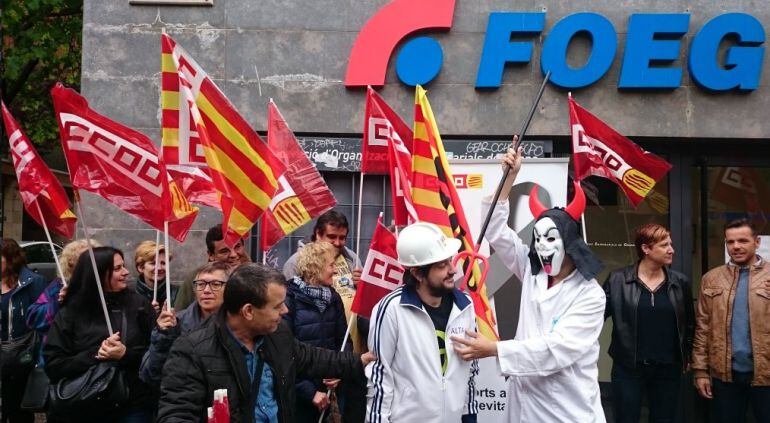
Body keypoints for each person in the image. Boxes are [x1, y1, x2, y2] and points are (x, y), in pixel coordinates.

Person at [451, 146, 606, 422]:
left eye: (551, 239)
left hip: (567, 409)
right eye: (538, 239)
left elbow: (555, 350)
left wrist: (495, 349)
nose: (542, 247)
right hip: (524, 405)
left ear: (570, 245)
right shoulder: (533, 270)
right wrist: (508, 178)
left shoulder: (590, 295)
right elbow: (496, 231)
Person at [157, 263, 374, 423]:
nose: (285, 311)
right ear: (249, 311)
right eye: (277, 306)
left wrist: (361, 359)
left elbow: (312, 358)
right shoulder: (191, 351)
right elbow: (177, 413)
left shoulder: (278, 335)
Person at [366, 221, 479, 423]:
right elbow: (379, 378)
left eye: (449, 261)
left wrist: (469, 419)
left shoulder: (466, 306)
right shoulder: (391, 309)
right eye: (441, 265)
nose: (452, 270)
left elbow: (469, 372)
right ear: (417, 273)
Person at [43, 247, 155, 422]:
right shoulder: (71, 311)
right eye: (117, 268)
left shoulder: (139, 305)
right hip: (84, 406)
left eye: (123, 266)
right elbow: (54, 364)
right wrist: (96, 354)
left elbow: (155, 355)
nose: (126, 272)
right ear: (98, 274)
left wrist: (125, 355)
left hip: (132, 404)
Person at [604, 223, 694, 423]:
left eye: (670, 244)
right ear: (645, 249)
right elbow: (594, 318)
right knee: (626, 418)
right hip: (628, 368)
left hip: (668, 368)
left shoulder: (680, 282)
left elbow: (689, 324)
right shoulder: (618, 280)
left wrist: (687, 354)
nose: (672, 249)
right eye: (664, 245)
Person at [692, 218, 770, 422]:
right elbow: (702, 327)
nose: (736, 247)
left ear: (757, 241)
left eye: (743, 240)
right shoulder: (711, 279)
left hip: (766, 374)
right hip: (724, 375)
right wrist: (700, 371)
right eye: (730, 242)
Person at [284, 241, 349, 422]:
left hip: (329, 394)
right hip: (298, 400)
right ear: (316, 266)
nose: (335, 270)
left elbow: (344, 340)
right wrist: (308, 391)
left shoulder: (334, 298)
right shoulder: (289, 298)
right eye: (331, 265)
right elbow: (283, 353)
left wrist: (339, 371)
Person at [139, 261, 231, 386]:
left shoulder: (238, 323)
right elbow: (150, 375)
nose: (206, 290)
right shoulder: (176, 322)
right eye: (201, 284)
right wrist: (164, 335)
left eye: (215, 284)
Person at [26, 239, 102, 363]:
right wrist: (58, 303)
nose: (93, 263)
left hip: (95, 359)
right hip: (59, 359)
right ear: (71, 264)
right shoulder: (59, 286)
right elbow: (33, 318)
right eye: (86, 259)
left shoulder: (105, 285)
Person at [0, 238, 48, 423]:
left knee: (16, 408)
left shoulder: (34, 282)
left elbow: (43, 319)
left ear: (11, 258)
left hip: (21, 355)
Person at [174, 224, 250, 310]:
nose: (233, 254)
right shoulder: (195, 279)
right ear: (210, 255)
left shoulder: (256, 277)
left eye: (237, 247)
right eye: (224, 251)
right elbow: (180, 316)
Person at [132, 240, 177, 310]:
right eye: (153, 263)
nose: (159, 268)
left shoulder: (177, 293)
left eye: (163, 263)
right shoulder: (129, 296)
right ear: (141, 268)